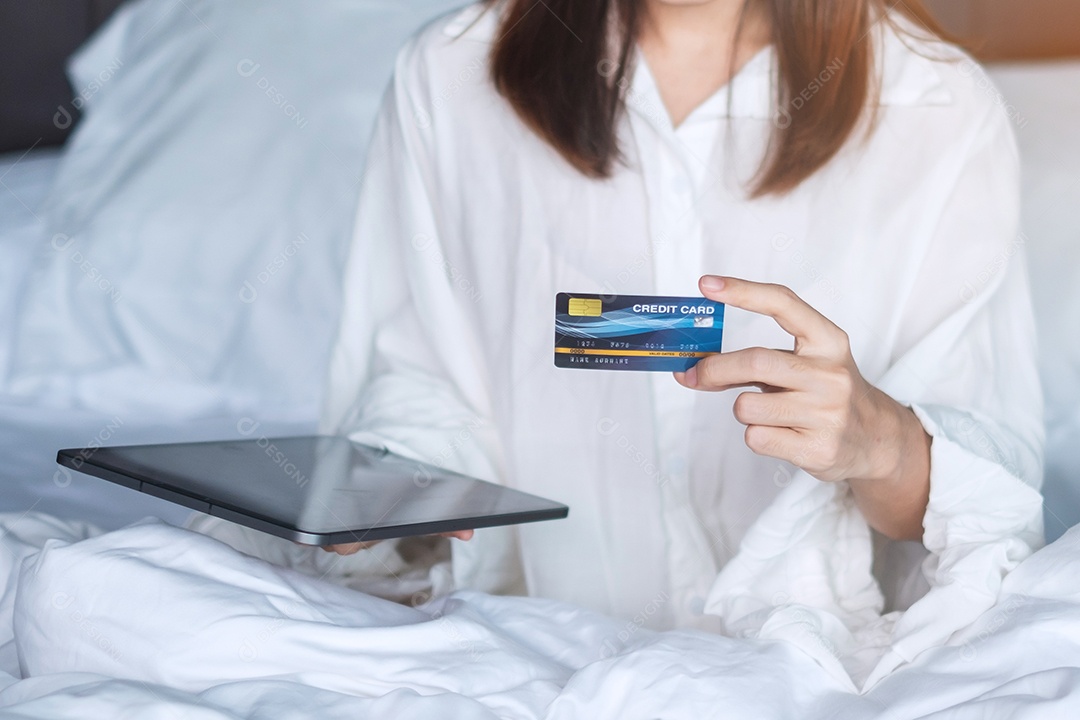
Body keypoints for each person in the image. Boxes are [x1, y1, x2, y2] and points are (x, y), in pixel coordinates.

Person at [320, 0, 1044, 644]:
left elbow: (987, 517)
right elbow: (423, 380)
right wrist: (394, 494)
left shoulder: (938, 106)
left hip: (822, 667)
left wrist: (880, 444)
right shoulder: (448, 76)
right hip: (535, 649)